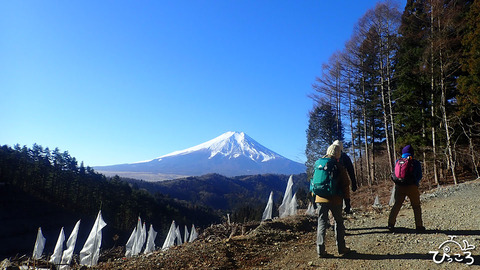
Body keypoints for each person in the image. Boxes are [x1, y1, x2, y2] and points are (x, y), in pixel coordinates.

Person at [315, 143, 353, 257]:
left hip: (320, 198)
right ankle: (341, 248)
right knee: (338, 222)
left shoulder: (318, 163)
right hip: (335, 199)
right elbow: (346, 185)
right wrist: (347, 202)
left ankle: (320, 250)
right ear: (337, 154)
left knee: (321, 222)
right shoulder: (338, 166)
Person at [387, 145, 425, 232]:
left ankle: (390, 224)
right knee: (416, 206)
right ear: (412, 153)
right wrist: (415, 181)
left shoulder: (398, 161)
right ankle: (419, 226)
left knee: (397, 205)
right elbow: (419, 176)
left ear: (403, 153)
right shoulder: (415, 162)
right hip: (412, 187)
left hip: (399, 186)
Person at [332, 140, 357, 214]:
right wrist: (354, 183)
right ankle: (347, 207)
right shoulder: (345, 157)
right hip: (342, 179)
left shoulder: (328, 157)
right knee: (345, 191)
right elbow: (351, 171)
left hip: (331, 181)